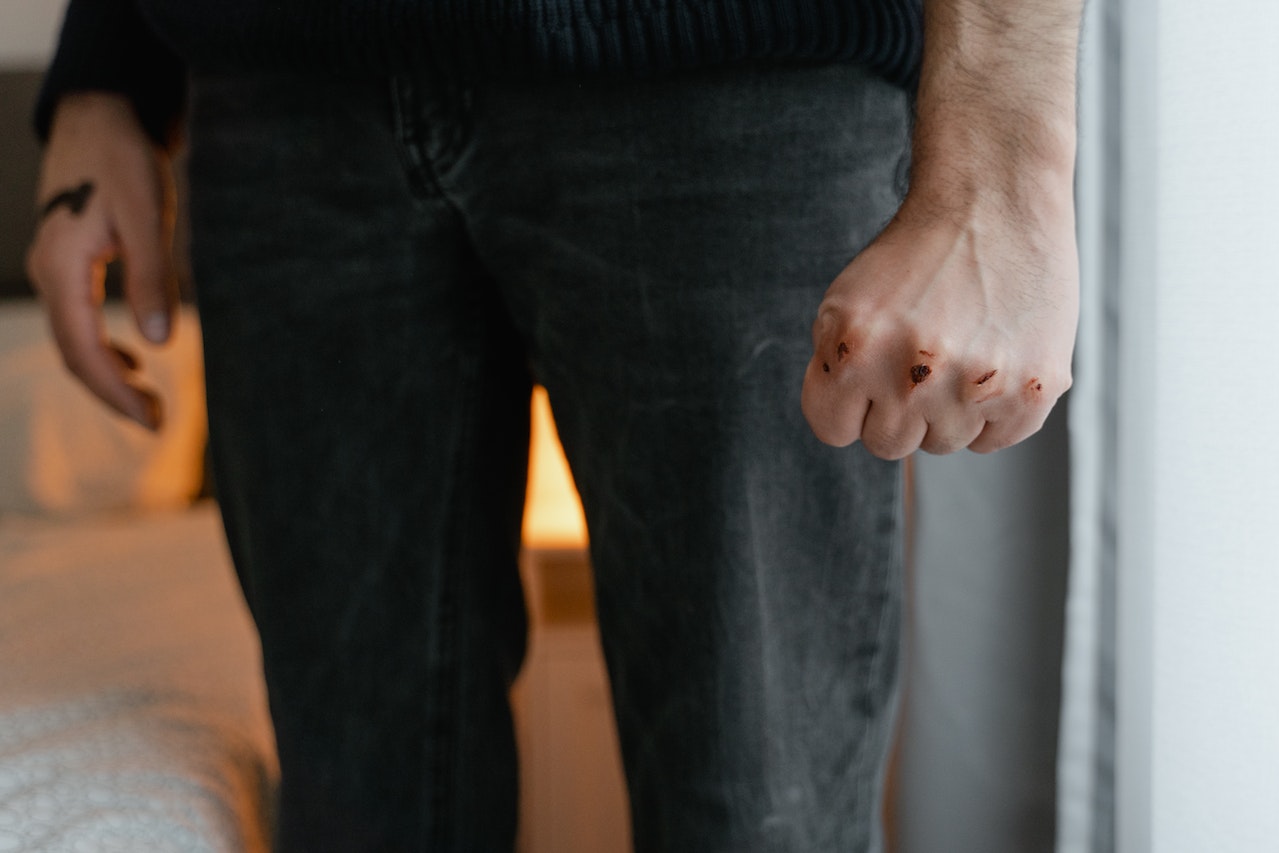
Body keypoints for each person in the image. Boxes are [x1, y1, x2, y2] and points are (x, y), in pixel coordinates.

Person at [26, 1, 1081, 850]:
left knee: (759, 807)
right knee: (358, 809)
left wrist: (1004, 173)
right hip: (278, 79)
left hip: (731, 68)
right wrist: (107, 60)